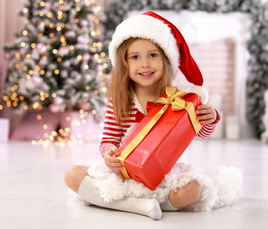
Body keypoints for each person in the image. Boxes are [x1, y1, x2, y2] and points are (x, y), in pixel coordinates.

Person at [64, 11, 241, 220]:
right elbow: (108, 140)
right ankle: (141, 206)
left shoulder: (177, 100)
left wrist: (210, 117)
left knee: (193, 190)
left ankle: (125, 204)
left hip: (162, 173)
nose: (145, 63)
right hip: (124, 172)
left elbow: (201, 133)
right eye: (135, 57)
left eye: (153, 55)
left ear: (166, 59)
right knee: (72, 174)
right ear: (125, 63)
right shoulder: (120, 99)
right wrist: (109, 153)